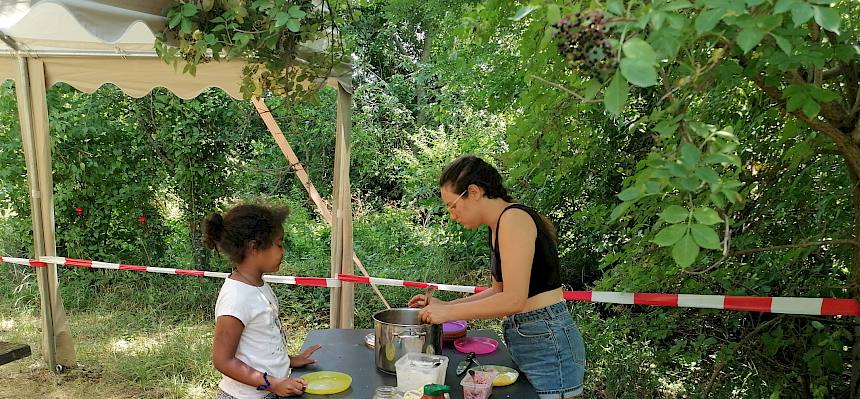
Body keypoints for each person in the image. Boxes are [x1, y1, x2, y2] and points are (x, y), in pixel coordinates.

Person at [411, 155, 586, 398]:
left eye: (452, 205)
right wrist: (444, 306)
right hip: (531, 337)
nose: (452, 215)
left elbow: (514, 300)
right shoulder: (497, 227)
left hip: (548, 344)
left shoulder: (513, 219)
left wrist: (448, 314)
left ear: (473, 192)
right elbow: (498, 292)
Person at [203, 203, 321, 399]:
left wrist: (288, 361)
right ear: (254, 247)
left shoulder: (258, 286)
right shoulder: (236, 297)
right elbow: (222, 361)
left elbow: (259, 346)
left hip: (267, 390)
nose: (282, 252)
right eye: (279, 244)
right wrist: (273, 383)